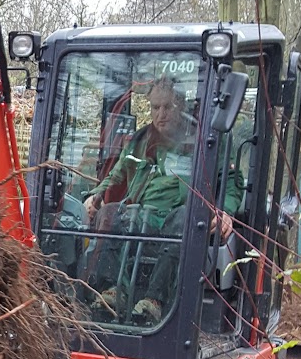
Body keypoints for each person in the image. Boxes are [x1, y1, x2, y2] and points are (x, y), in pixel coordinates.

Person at [82, 78, 239, 321]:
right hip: (142, 216)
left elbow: (230, 180)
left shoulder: (205, 140)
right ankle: (113, 292)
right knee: (111, 213)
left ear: (182, 105)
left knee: (188, 216)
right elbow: (116, 174)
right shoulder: (140, 141)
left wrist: (224, 211)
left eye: (168, 107)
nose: (161, 114)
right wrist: (96, 196)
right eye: (155, 107)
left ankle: (154, 300)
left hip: (179, 218)